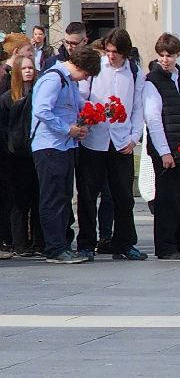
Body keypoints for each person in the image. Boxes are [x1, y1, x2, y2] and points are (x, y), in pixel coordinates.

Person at [76, 29, 145, 261]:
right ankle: (86, 242)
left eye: (116, 52)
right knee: (88, 194)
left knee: (123, 196)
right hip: (94, 140)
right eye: (108, 51)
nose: (111, 56)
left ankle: (124, 242)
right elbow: (82, 97)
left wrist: (134, 137)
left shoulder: (135, 72)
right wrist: (88, 117)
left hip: (120, 141)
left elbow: (137, 107)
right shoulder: (97, 67)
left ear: (125, 52)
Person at [30, 44, 100, 263]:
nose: (84, 79)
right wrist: (66, 128)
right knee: (53, 197)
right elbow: (41, 110)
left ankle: (62, 243)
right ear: (79, 65)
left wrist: (94, 114)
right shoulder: (54, 79)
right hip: (50, 146)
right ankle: (54, 248)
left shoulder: (68, 80)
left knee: (63, 196)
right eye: (86, 74)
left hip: (65, 146)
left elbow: (78, 105)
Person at [139, 34, 180, 260]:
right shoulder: (152, 81)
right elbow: (153, 119)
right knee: (168, 201)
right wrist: (164, 152)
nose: (165, 59)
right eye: (162, 55)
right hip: (167, 149)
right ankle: (166, 247)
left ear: (178, 55)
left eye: (170, 55)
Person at [2, 49, 43, 257]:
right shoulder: (8, 98)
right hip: (16, 155)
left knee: (38, 198)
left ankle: (38, 242)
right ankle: (19, 243)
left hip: (36, 152)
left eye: (31, 68)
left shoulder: (39, 94)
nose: (28, 71)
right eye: (24, 68)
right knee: (20, 201)